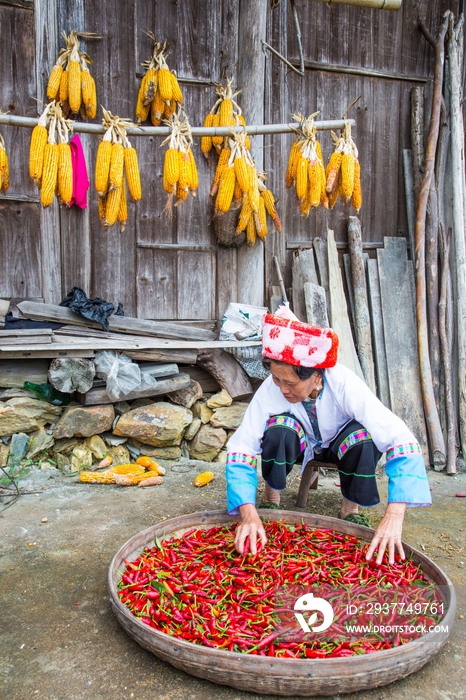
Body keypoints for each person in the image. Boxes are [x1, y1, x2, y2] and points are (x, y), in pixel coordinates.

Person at [226, 309, 432, 565]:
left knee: (363, 438)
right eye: (276, 379)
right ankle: (271, 498)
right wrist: (247, 513)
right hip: (299, 444)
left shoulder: (345, 383)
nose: (282, 388)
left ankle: (350, 509)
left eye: (290, 383)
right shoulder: (272, 389)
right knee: (279, 429)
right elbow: (241, 447)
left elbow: (399, 439)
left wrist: (394, 516)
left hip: (339, 445)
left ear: (317, 376)